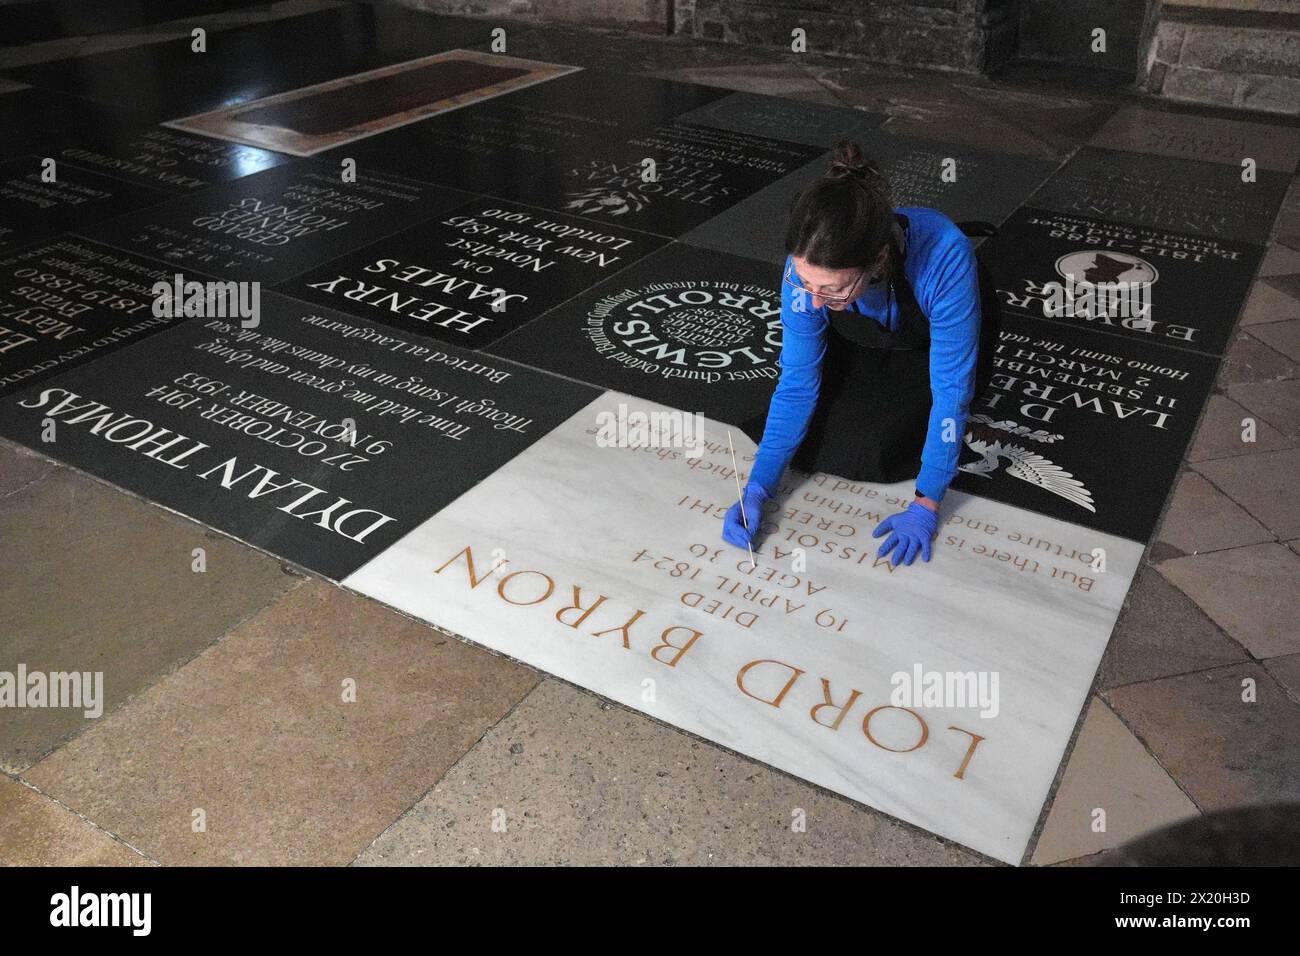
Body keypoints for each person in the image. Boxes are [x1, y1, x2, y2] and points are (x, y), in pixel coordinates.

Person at [722, 139, 999, 568]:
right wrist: (757, 487)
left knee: (885, 449)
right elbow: (797, 383)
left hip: (927, 338)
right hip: (866, 332)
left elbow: (950, 391)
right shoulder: (805, 271)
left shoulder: (945, 258)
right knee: (815, 434)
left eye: (830, 290)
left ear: (879, 260)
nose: (812, 302)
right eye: (805, 284)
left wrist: (927, 504)